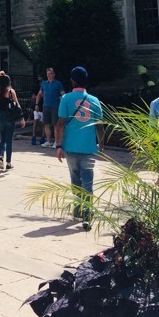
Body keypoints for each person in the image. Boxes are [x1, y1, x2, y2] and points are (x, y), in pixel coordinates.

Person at [55, 66, 104, 231]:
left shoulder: (66, 99)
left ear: (72, 81)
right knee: (88, 181)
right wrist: (101, 143)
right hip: (89, 146)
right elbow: (99, 126)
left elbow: (60, 123)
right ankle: (88, 214)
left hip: (70, 146)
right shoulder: (95, 101)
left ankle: (77, 209)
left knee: (75, 179)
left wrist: (59, 145)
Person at [0, 70, 26, 170]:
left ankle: (1, 156)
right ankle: (8, 163)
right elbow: (17, 105)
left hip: (0, 116)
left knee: (2, 139)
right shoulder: (11, 91)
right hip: (10, 117)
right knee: (9, 140)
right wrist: (22, 118)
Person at [36, 67, 65, 148]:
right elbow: (39, 94)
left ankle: (56, 141)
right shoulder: (44, 83)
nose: (49, 75)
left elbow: (63, 95)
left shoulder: (58, 84)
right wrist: (36, 104)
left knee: (56, 125)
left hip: (55, 107)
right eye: (47, 74)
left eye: (50, 73)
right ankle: (48, 141)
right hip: (46, 106)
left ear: (54, 74)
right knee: (46, 124)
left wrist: (64, 105)